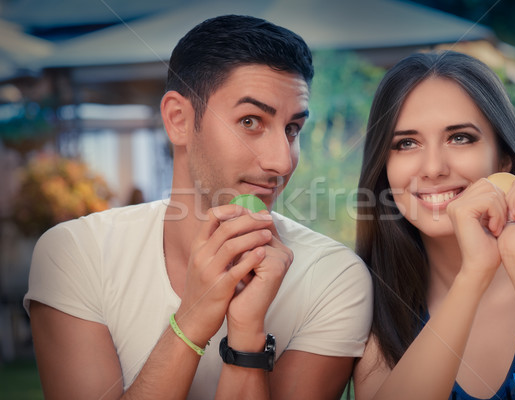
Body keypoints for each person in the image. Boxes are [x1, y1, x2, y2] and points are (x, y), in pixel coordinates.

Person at [24, 15, 373, 400]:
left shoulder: (333, 278)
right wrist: (191, 320)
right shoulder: (77, 254)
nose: (282, 162)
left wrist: (246, 336)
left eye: (292, 129)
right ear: (179, 120)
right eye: (251, 121)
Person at [352, 50, 515, 400]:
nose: (433, 167)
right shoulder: (375, 304)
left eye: (459, 137)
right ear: (384, 169)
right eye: (407, 143)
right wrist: (473, 276)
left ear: (503, 158)